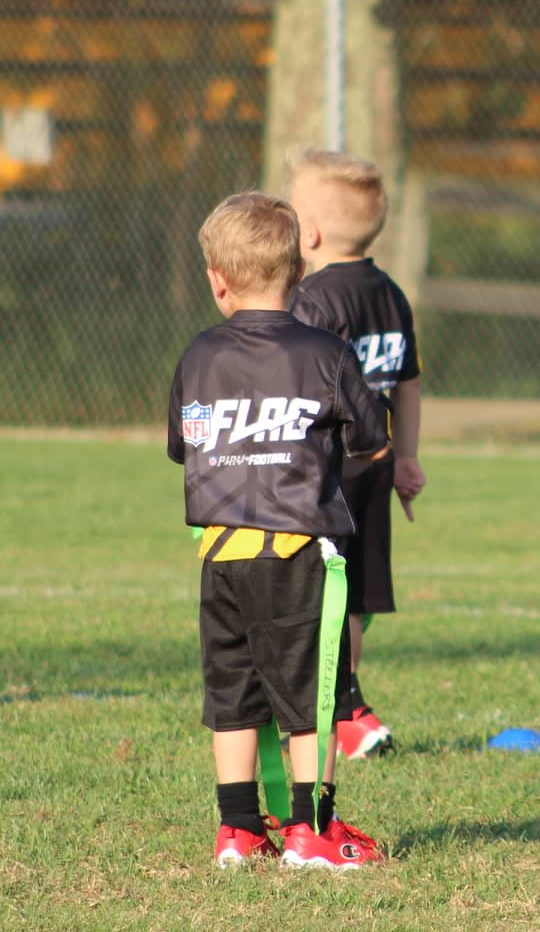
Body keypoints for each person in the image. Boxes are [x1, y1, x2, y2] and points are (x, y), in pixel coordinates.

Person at [168, 191, 393, 869]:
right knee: (310, 700)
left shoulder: (199, 355)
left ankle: (237, 831)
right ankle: (312, 831)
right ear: (299, 273)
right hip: (299, 552)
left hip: (221, 553)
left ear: (217, 280)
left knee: (233, 696)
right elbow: (371, 439)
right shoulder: (326, 352)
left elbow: (185, 447)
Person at [288, 150, 426, 762]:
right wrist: (408, 458)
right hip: (375, 466)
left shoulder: (312, 302)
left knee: (319, 594)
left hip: (323, 475)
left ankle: (341, 709)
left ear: (310, 233)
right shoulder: (390, 294)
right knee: (352, 597)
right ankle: (346, 706)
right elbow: (408, 383)